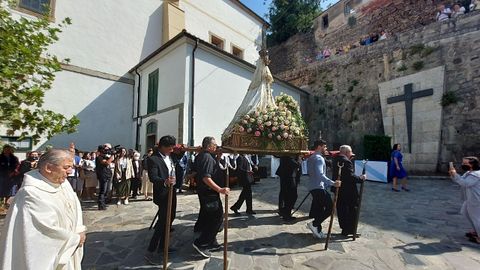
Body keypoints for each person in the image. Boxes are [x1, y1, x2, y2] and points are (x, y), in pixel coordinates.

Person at [0, 149, 86, 269]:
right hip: (51, 258)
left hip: (69, 253)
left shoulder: (63, 183)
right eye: (66, 167)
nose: (70, 171)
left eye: (71, 167)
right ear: (48, 168)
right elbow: (43, 232)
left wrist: (79, 228)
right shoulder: (31, 194)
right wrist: (74, 239)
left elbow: (74, 207)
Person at [192, 136, 230, 258]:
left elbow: (213, 170)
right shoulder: (207, 157)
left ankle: (211, 241)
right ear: (209, 146)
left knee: (210, 217)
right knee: (217, 217)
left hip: (206, 192)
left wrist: (218, 158)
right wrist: (220, 189)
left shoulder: (204, 155)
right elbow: (206, 177)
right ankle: (202, 243)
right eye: (214, 145)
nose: (216, 146)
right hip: (208, 193)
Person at [145, 136, 178, 264]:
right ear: (163, 147)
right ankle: (151, 251)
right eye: (170, 148)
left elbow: (179, 154)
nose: (172, 150)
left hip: (172, 192)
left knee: (171, 217)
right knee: (162, 222)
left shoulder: (170, 156)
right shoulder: (153, 159)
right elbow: (153, 177)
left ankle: (163, 247)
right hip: (163, 194)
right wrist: (164, 181)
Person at [306, 140, 341, 238]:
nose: (326, 149)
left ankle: (317, 230)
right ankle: (314, 224)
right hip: (318, 187)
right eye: (324, 147)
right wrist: (333, 183)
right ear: (319, 147)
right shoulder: (318, 158)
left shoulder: (311, 157)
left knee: (319, 208)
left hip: (313, 186)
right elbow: (320, 174)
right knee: (330, 208)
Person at [332, 145, 366, 237]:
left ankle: (345, 229)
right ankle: (350, 229)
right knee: (351, 210)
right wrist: (360, 178)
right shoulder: (346, 161)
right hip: (348, 191)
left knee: (342, 209)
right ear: (347, 152)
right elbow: (350, 176)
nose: (351, 155)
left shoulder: (335, 159)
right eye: (350, 152)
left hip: (339, 189)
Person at [449, 156, 480, 244]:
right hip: (469, 198)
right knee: (466, 213)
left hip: (476, 200)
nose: (463, 165)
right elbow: (460, 180)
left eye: (465, 163)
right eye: (463, 163)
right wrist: (453, 175)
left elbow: (465, 183)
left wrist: (455, 174)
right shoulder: (469, 172)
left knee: (476, 218)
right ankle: (476, 231)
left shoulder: (476, 174)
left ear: (472, 164)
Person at [275, 155, 300, 221]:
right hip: (288, 178)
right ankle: (286, 214)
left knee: (287, 196)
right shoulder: (288, 156)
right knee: (291, 196)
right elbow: (295, 164)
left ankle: (285, 212)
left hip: (288, 176)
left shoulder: (288, 156)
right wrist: (299, 161)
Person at [96, 144, 115, 210]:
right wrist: (111, 157)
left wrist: (112, 154)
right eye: (105, 150)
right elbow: (106, 163)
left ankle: (104, 203)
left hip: (108, 174)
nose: (106, 151)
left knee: (107, 190)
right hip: (103, 175)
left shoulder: (105, 156)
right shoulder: (99, 157)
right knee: (103, 191)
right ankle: (101, 205)